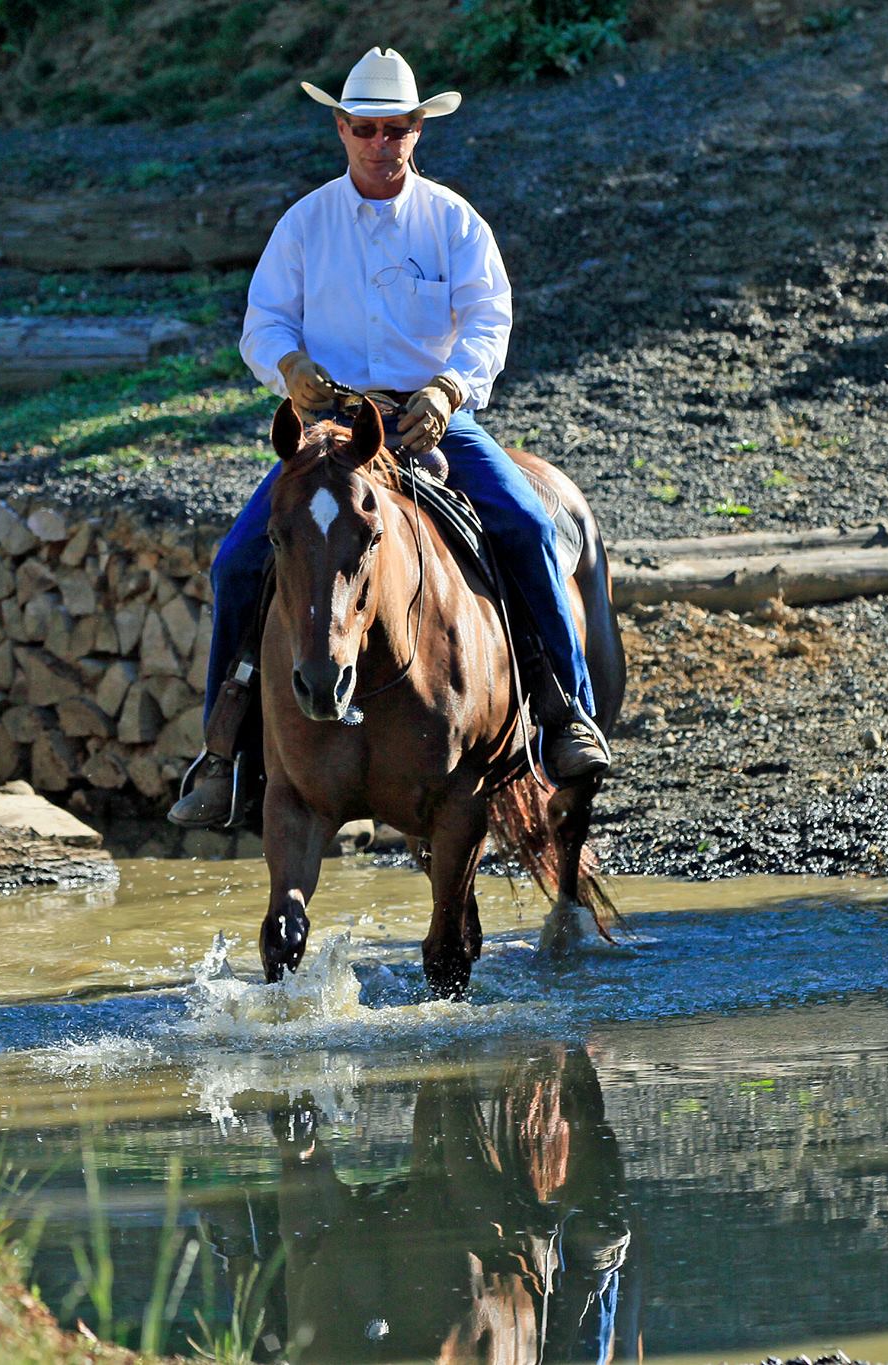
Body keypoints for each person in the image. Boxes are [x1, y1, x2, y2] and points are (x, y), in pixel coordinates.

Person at [169, 46, 612, 829]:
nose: (382, 143)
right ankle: (223, 750)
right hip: (334, 426)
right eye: (367, 129)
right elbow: (262, 322)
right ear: (342, 128)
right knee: (238, 560)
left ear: (417, 129)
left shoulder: (454, 221)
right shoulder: (304, 224)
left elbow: (488, 317)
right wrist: (290, 365)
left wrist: (449, 388)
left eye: (397, 128)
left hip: (430, 415)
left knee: (528, 523)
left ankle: (564, 710)